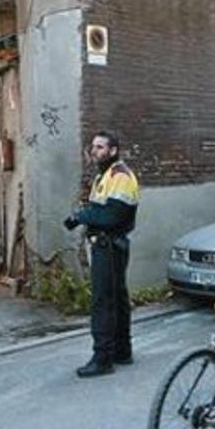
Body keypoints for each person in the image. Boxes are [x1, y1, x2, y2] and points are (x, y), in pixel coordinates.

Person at [65, 131, 140, 378]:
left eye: (100, 147)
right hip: (110, 246)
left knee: (103, 302)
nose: (94, 151)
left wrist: (80, 216)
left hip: (108, 246)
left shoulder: (121, 176)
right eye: (93, 147)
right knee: (116, 299)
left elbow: (112, 216)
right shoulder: (105, 176)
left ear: (113, 150)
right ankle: (121, 351)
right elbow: (100, 208)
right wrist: (84, 215)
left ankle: (102, 359)